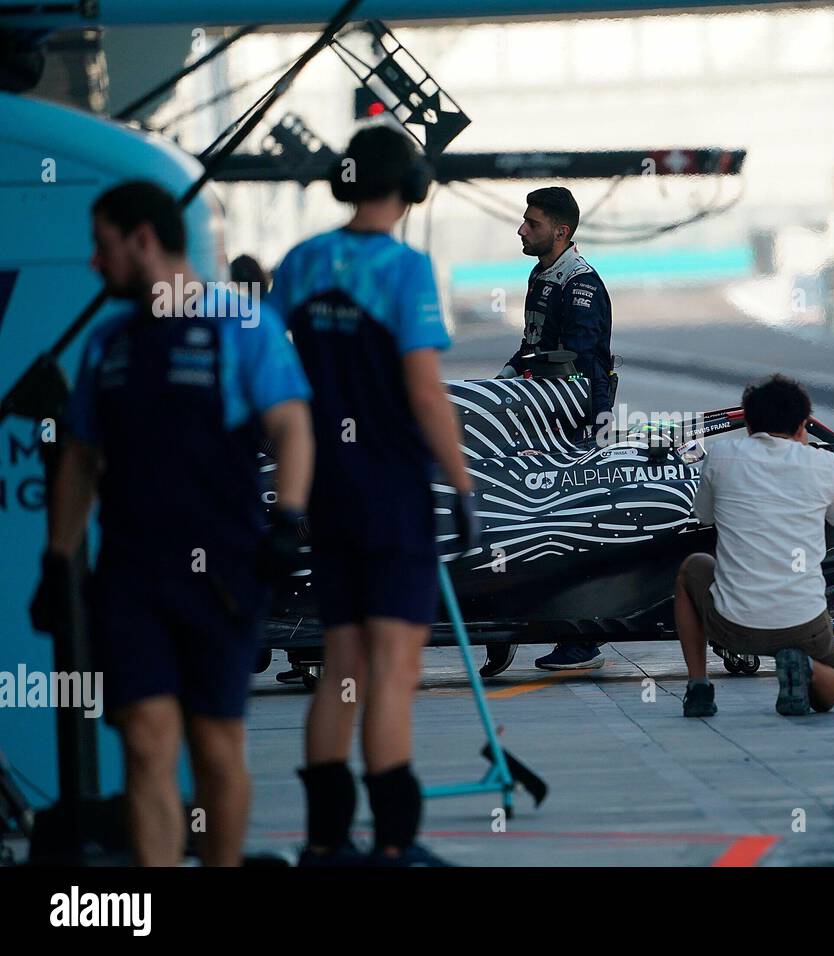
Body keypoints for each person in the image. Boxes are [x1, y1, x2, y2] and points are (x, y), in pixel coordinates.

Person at [29, 180, 315, 865]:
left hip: (223, 574)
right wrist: (59, 559)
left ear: (143, 241)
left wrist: (290, 520)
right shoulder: (108, 343)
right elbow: (79, 458)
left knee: (216, 746)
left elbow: (293, 427)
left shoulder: (241, 325)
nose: (95, 264)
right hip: (131, 577)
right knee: (145, 739)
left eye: (102, 247)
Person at [267, 125, 478, 866]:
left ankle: (325, 842)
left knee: (344, 667)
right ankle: (394, 843)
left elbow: (273, 378)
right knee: (393, 669)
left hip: (324, 491)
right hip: (391, 491)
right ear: (410, 186)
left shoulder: (298, 263)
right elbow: (425, 391)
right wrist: (461, 481)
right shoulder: (404, 269)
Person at [486, 186, 613, 676]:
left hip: (571, 423)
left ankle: (582, 638)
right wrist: (497, 387)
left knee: (568, 529)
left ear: (560, 232)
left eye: (532, 223)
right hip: (542, 416)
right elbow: (532, 349)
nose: (521, 230)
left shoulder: (579, 284)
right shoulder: (544, 275)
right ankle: (522, 624)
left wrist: (593, 425)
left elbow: (580, 367)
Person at [673, 375, 834, 718]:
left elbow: (704, 516)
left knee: (691, 568)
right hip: (802, 621)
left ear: (749, 425)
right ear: (803, 426)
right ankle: (804, 667)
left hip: (732, 624)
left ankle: (698, 687)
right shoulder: (824, 464)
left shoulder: (722, 456)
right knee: (829, 695)